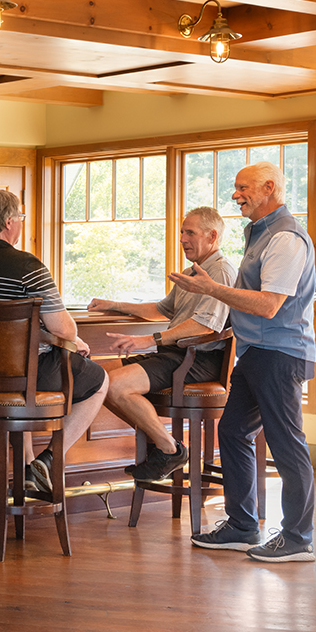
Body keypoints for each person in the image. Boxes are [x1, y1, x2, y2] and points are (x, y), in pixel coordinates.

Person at [169, 161, 316, 563]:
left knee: (287, 446)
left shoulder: (286, 239)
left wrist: (212, 288)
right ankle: (242, 525)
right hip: (255, 354)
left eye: (243, 188)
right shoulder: (260, 235)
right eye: (236, 188)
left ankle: (298, 538)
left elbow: (269, 306)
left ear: (269, 188)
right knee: (233, 431)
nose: (236, 195)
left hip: (281, 355)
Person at [0, 188, 109, 491]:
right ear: (8, 222)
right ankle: (50, 459)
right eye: (20, 217)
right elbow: (65, 330)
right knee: (100, 381)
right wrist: (75, 341)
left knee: (20, 374)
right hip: (27, 377)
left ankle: (29, 470)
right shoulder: (28, 268)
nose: (20, 223)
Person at [87, 207, 236, 482]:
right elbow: (162, 309)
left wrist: (148, 340)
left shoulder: (220, 272)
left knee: (117, 386)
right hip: (173, 355)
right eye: (182, 232)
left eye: (189, 232)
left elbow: (204, 326)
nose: (182, 238)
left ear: (212, 236)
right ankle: (163, 440)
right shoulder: (190, 272)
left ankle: (168, 448)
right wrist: (114, 305)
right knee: (97, 379)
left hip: (198, 360)